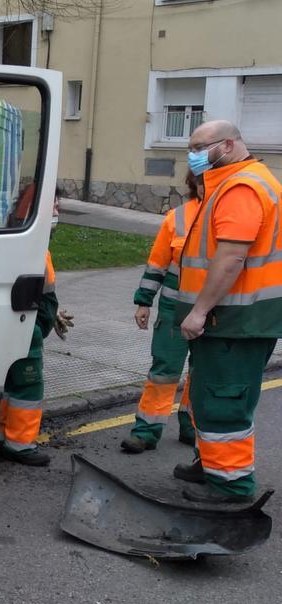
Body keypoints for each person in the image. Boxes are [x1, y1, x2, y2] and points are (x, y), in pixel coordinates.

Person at [174, 119, 282, 503]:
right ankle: (211, 464)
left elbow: (232, 256)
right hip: (237, 318)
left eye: (202, 147)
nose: (194, 155)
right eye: (192, 147)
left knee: (223, 402)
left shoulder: (241, 187)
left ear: (230, 145)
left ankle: (230, 487)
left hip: (234, 319)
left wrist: (199, 311)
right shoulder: (238, 182)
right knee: (209, 396)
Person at [120, 172, 202, 453]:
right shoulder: (177, 218)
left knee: (202, 372)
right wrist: (144, 302)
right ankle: (146, 431)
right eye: (202, 180)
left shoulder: (228, 217)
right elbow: (157, 264)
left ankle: (192, 425)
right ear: (194, 184)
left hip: (216, 311)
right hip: (174, 310)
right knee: (164, 371)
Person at [0, 191, 74, 466]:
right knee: (28, 385)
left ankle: (3, 435)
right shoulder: (28, 242)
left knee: (12, 383)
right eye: (53, 203)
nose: (57, 209)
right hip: (26, 324)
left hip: (28, 321)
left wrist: (53, 314)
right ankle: (19, 444)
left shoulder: (31, 239)